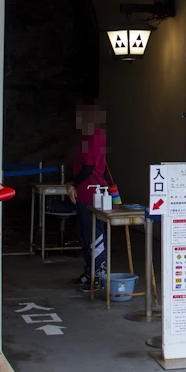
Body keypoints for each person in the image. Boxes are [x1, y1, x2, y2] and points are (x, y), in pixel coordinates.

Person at [68, 105, 117, 288]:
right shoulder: (88, 137)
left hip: (92, 193)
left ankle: (99, 275)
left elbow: (88, 166)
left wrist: (72, 183)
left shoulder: (93, 137)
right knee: (85, 235)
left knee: (94, 236)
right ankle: (90, 272)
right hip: (85, 193)